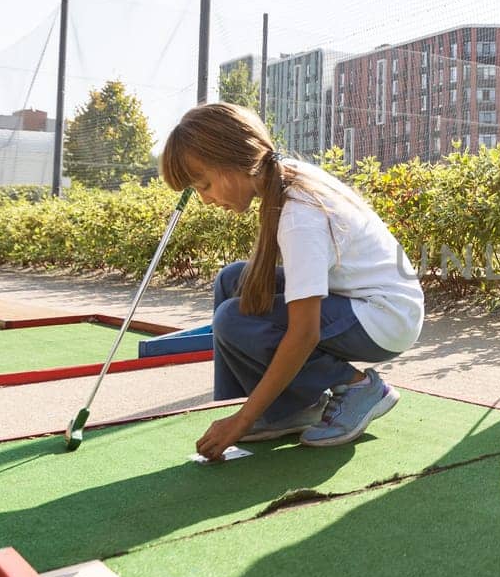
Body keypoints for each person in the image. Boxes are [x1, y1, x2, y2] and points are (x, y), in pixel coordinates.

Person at [159, 102, 425, 459]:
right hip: (361, 302)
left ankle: (360, 388)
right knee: (231, 282)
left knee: (233, 319)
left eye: (205, 184)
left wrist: (241, 420)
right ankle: (288, 409)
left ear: (233, 161)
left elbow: (305, 333)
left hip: (385, 317)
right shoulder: (281, 174)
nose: (205, 200)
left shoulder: (300, 215)